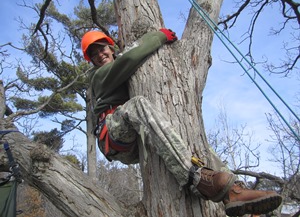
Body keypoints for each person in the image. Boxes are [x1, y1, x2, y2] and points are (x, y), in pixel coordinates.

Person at [81, 29, 282, 216]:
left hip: (135, 134)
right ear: (91, 60)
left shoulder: (117, 66)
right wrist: (158, 37)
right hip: (113, 135)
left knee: (200, 146)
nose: (100, 55)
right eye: (94, 54)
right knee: (137, 105)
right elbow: (129, 59)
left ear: (111, 47)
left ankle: (237, 193)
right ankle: (196, 177)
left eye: (102, 48)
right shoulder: (98, 76)